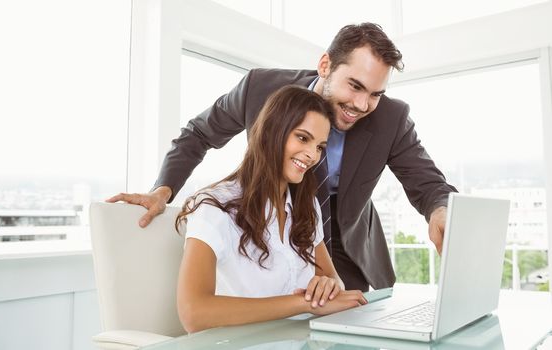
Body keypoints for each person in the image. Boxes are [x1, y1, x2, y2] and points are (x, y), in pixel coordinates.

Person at [108, 23, 457, 292]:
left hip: (346, 253)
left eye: (375, 94)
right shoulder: (259, 90)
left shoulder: (390, 118)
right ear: (325, 65)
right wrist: (163, 189)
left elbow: (427, 182)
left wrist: (439, 209)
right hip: (274, 244)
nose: (362, 105)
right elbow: (198, 134)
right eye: (354, 86)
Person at [175, 85, 366, 333]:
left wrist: (327, 287)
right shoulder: (213, 206)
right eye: (303, 138)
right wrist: (304, 303)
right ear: (271, 132)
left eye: (320, 146)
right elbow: (193, 313)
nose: (311, 155)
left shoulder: (306, 207)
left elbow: (333, 279)